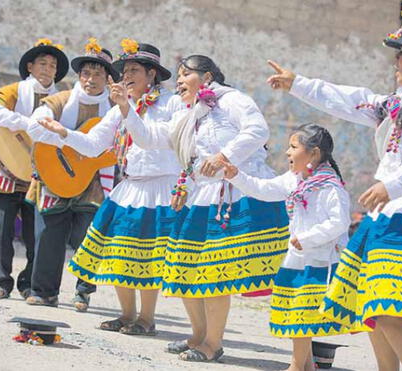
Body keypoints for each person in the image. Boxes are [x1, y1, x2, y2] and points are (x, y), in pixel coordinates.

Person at [267, 7, 402, 371]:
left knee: (390, 309)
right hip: (395, 211)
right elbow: (354, 100)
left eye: (401, 53)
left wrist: (391, 184)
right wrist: (298, 83)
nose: (395, 62)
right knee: (372, 306)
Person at [120, 55, 289, 362]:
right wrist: (125, 107)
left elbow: (257, 130)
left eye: (186, 74)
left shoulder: (232, 100)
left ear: (207, 76)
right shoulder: (188, 114)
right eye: (179, 76)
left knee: (212, 271)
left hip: (234, 194)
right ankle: (197, 335)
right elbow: (149, 138)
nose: (179, 80)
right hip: (200, 196)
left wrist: (223, 156)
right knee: (183, 266)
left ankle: (213, 343)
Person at [37, 40, 182, 333]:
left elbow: (147, 138)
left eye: (133, 70)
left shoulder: (171, 104)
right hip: (129, 186)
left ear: (151, 74)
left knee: (148, 256)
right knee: (118, 251)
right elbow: (93, 145)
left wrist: (126, 108)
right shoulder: (121, 107)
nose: (126, 75)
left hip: (159, 188)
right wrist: (63, 133)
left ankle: (146, 318)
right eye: (124, 69)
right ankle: (127, 314)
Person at [222, 123, 351, 371]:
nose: (287, 153)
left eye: (293, 147)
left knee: (302, 314)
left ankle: (296, 366)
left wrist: (308, 238)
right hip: (297, 259)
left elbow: (339, 222)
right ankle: (305, 366)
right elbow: (265, 189)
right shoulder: (296, 180)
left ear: (313, 153)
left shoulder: (329, 187)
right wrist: (236, 176)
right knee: (295, 313)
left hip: (317, 261)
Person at [24, 38, 120, 308]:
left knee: (87, 237)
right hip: (55, 176)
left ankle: (83, 291)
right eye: (86, 73)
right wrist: (69, 143)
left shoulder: (115, 111)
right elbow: (34, 127)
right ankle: (44, 291)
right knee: (49, 235)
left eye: (98, 74)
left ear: (108, 79)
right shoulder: (60, 100)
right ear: (79, 76)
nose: (90, 79)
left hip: (95, 183)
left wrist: (80, 147)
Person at [0, 38, 68, 300]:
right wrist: (27, 124)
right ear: (30, 66)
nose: (47, 69)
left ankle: (28, 282)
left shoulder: (64, 97)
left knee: (36, 235)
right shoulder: (15, 89)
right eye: (42, 63)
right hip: (8, 168)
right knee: (0, 232)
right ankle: (0, 281)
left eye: (52, 65)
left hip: (42, 175)